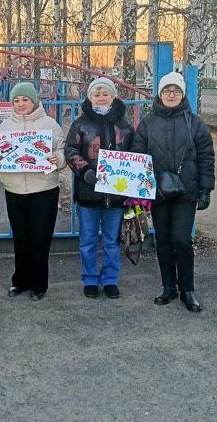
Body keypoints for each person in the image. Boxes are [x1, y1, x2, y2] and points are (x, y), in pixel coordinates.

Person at [131, 72, 214, 313]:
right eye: (167, 90)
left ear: (182, 94)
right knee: (164, 240)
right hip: (158, 190)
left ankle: (187, 288)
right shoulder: (148, 122)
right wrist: (141, 187)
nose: (171, 94)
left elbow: (206, 155)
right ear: (159, 93)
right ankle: (169, 286)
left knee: (181, 239)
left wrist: (206, 188)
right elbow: (138, 155)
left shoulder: (194, 122)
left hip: (186, 191)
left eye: (175, 91)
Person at [0, 82, 66, 301]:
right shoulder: (4, 127)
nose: (21, 104)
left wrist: (57, 158)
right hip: (14, 189)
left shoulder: (50, 125)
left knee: (40, 238)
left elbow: (62, 151)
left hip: (44, 189)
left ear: (34, 101)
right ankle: (19, 281)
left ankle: (39, 284)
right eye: (16, 100)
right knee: (21, 238)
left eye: (25, 100)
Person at [65, 77, 134, 299]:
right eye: (97, 94)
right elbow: (71, 150)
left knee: (112, 240)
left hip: (116, 194)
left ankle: (110, 279)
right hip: (88, 192)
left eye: (105, 94)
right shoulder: (81, 123)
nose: (101, 98)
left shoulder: (124, 125)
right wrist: (85, 170)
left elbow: (134, 154)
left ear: (113, 97)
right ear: (90, 97)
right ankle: (90, 279)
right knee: (88, 239)